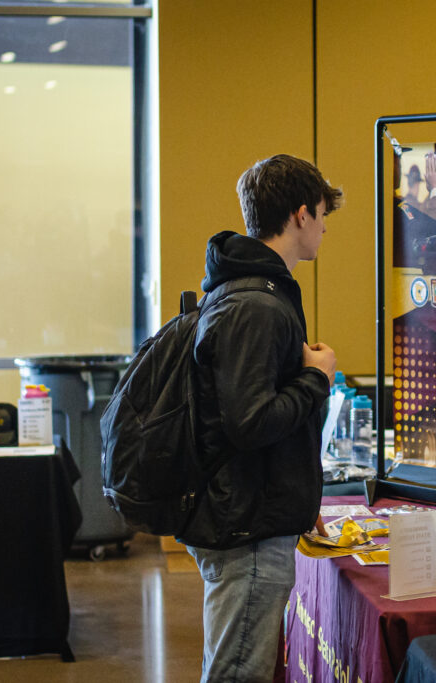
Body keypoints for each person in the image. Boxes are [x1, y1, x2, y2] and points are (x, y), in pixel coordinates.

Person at [177, 154, 341, 682]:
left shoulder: (248, 291)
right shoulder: (257, 305)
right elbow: (249, 422)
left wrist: (298, 494)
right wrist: (316, 378)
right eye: (320, 214)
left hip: (251, 513)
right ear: (299, 215)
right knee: (236, 674)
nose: (322, 228)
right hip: (245, 527)